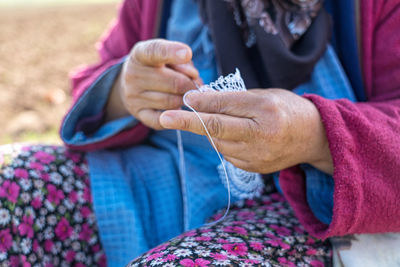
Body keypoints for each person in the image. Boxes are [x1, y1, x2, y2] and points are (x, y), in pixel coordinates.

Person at [1, 0, 399, 266]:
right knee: (9, 189)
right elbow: (93, 78)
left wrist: (314, 134)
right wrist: (124, 90)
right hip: (158, 183)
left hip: (312, 213)